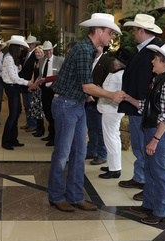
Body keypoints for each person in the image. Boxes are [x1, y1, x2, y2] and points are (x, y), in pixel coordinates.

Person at [48, 13, 124, 212]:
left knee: (79, 152)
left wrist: (91, 94)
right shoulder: (83, 50)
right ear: (98, 31)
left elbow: (81, 85)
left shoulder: (87, 49)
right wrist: (111, 94)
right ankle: (56, 196)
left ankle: (75, 196)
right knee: (63, 153)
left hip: (75, 105)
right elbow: (87, 86)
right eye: (109, 33)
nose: (111, 37)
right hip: (66, 106)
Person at [124, 42, 165, 225]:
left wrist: (155, 140)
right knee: (149, 169)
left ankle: (161, 210)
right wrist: (128, 98)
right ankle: (149, 204)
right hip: (150, 129)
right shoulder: (159, 80)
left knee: (158, 171)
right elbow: (147, 107)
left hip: (158, 133)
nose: (152, 62)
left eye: (156, 59)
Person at [117, 14, 164, 202]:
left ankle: (147, 184)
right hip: (136, 106)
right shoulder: (144, 49)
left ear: (142, 31)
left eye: (135, 30)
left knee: (145, 147)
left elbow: (152, 82)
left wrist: (139, 103)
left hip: (144, 108)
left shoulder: (156, 50)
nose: (133, 34)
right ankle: (140, 177)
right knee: (138, 145)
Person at [97, 51, 127, 179]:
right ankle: (113, 164)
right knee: (114, 137)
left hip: (110, 109)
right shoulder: (122, 74)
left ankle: (115, 169)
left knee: (111, 138)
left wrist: (99, 90)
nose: (113, 62)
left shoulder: (116, 76)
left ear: (118, 64)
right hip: (113, 109)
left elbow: (108, 92)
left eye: (115, 61)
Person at [1, 35, 33, 150]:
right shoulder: (9, 58)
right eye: (19, 47)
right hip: (11, 87)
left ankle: (13, 139)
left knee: (17, 112)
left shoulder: (10, 58)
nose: (20, 49)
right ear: (15, 47)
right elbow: (14, 78)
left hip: (13, 88)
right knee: (13, 115)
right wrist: (27, 83)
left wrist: (18, 67)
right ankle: (6, 141)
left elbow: (13, 73)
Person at [85, 45, 113, 165]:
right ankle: (92, 151)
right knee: (91, 128)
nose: (95, 48)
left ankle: (102, 154)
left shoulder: (107, 61)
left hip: (99, 101)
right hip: (87, 100)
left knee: (100, 130)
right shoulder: (87, 60)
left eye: (99, 46)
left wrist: (94, 96)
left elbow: (108, 83)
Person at [38, 41, 64, 146]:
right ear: (44, 51)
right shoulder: (41, 60)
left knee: (55, 115)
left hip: (55, 92)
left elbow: (62, 76)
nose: (48, 52)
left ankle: (54, 137)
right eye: (46, 50)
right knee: (47, 113)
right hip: (44, 91)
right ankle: (50, 134)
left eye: (50, 50)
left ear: (52, 50)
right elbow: (40, 75)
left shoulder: (60, 60)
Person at [19, 35, 40, 132]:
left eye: (31, 44)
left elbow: (35, 71)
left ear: (34, 45)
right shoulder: (25, 53)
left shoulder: (36, 54)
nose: (29, 46)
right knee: (26, 104)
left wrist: (33, 82)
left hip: (31, 83)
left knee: (31, 105)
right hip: (24, 82)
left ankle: (33, 124)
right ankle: (29, 123)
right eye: (28, 44)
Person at [28, 45, 46, 137]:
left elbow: (41, 76)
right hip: (35, 88)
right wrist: (31, 83)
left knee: (40, 109)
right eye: (36, 52)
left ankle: (41, 129)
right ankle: (39, 128)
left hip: (40, 88)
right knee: (36, 109)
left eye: (39, 52)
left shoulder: (43, 62)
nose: (37, 54)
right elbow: (33, 75)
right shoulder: (36, 62)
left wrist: (35, 85)